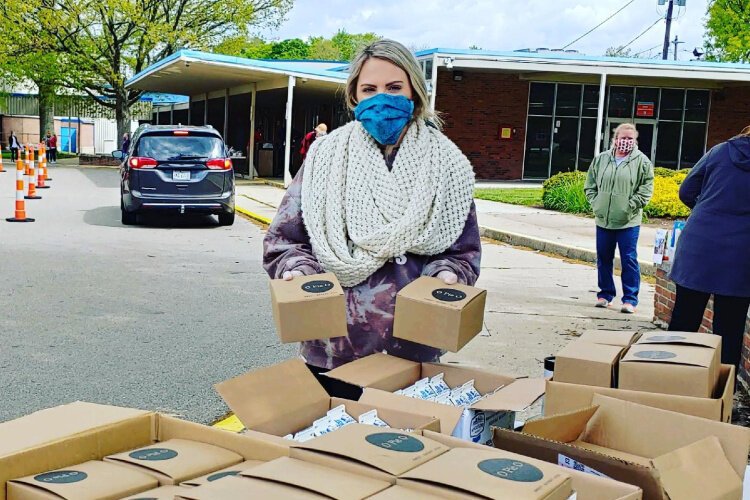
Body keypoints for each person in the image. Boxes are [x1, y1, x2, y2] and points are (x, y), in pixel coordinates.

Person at [263, 39, 480, 397]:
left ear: (414, 92)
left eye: (394, 88)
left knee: (404, 451)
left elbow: (463, 253)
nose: (382, 98)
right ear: (355, 98)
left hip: (413, 355)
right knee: (330, 451)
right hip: (333, 353)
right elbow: (284, 241)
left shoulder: (446, 165)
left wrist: (447, 275)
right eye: (370, 89)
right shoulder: (325, 159)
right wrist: (297, 270)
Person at [668, 126, 750, 378]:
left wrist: (708, 208)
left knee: (684, 320)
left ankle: (667, 380)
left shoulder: (719, 151)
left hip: (699, 245)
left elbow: (686, 192)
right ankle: (720, 394)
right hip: (741, 253)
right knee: (730, 330)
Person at [584, 123, 654, 314]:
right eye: (622, 138)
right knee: (604, 258)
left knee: (628, 259)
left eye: (630, 139)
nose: (625, 142)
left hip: (628, 222)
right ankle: (605, 294)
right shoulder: (601, 160)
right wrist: (596, 203)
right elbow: (590, 184)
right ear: (615, 139)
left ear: (635, 141)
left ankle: (630, 299)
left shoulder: (642, 162)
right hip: (604, 220)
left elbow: (646, 189)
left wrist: (629, 207)